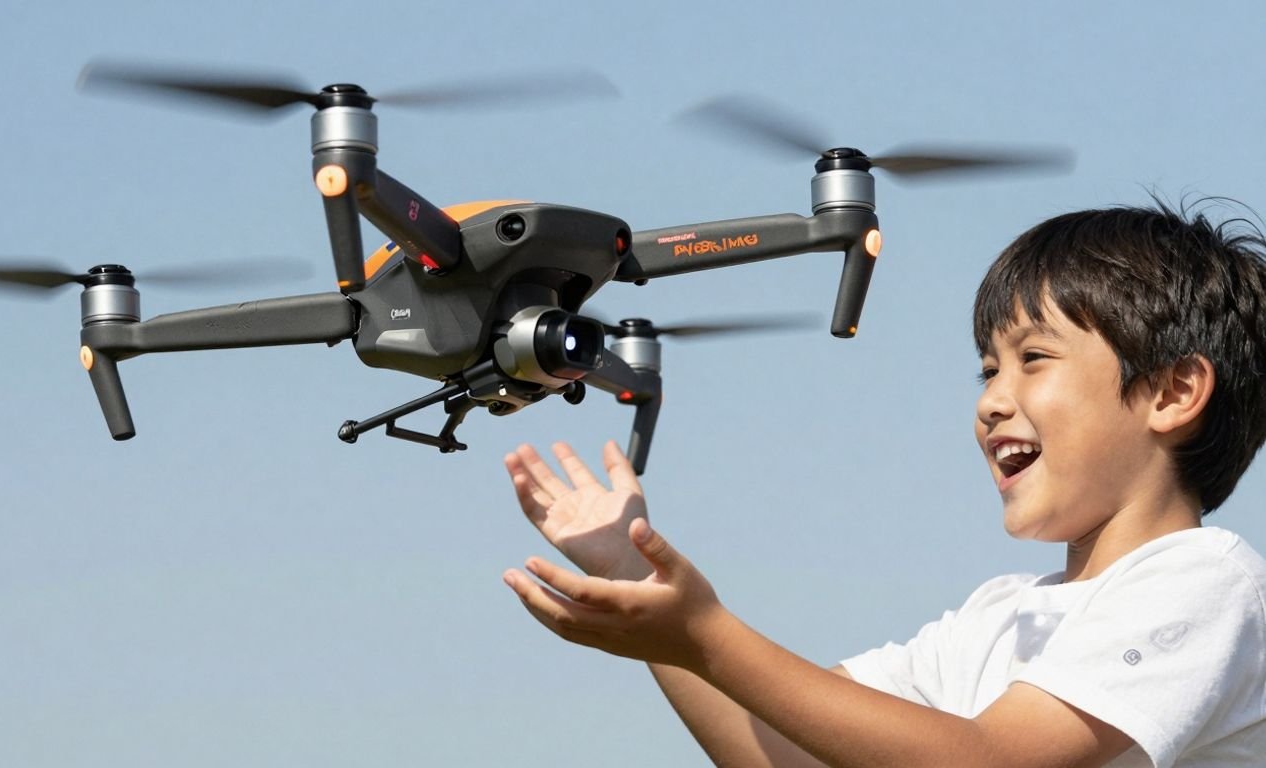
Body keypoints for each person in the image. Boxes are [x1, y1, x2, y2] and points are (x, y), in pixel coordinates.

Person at [501, 201, 1266, 768]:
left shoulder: (1202, 580)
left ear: (1172, 393)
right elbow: (786, 748)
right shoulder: (994, 618)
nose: (992, 399)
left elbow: (991, 760)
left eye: (1034, 359)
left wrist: (704, 633)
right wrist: (645, 595)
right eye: (988, 368)